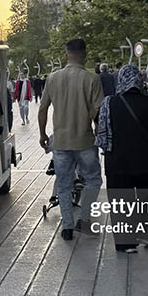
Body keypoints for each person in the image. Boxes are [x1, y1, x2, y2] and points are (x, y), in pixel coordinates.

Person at [96, 65, 148, 251]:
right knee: (146, 197)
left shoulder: (110, 103)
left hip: (117, 161)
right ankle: (146, 236)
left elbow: (101, 129)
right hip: (146, 160)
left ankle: (125, 243)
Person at [39, 38, 104, 241]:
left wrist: (42, 134)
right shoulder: (92, 79)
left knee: (64, 184)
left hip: (61, 142)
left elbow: (43, 109)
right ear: (84, 54)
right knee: (93, 180)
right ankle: (84, 219)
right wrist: (97, 128)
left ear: (66, 54)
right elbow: (98, 110)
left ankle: (67, 226)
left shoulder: (53, 78)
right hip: (84, 141)